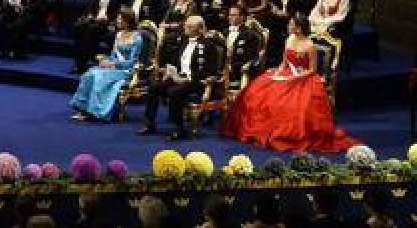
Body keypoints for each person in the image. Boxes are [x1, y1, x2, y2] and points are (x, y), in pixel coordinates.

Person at [222, 14, 358, 151]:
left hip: (304, 78)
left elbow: (312, 70)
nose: (288, 27)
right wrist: (278, 72)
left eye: (291, 24)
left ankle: (286, 136)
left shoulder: (310, 46)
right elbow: (284, 63)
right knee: (259, 90)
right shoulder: (289, 39)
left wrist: (294, 78)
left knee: (290, 103)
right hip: (287, 73)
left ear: (298, 28)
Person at [140, 14, 211, 141]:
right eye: (186, 25)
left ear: (199, 29)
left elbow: (207, 70)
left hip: (195, 81)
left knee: (174, 92)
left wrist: (186, 79)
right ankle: (149, 123)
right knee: (154, 88)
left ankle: (179, 128)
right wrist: (171, 72)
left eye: (189, 27)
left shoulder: (207, 46)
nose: (186, 28)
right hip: (178, 77)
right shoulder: (183, 42)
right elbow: (175, 61)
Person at [70, 9, 145, 121]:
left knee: (99, 77)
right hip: (113, 67)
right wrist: (106, 61)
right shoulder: (119, 34)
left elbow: (132, 61)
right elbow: (113, 55)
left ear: (127, 21)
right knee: (88, 75)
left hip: (126, 70)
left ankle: (94, 112)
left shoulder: (137, 38)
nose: (117, 21)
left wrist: (114, 63)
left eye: (120, 18)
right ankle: (83, 108)